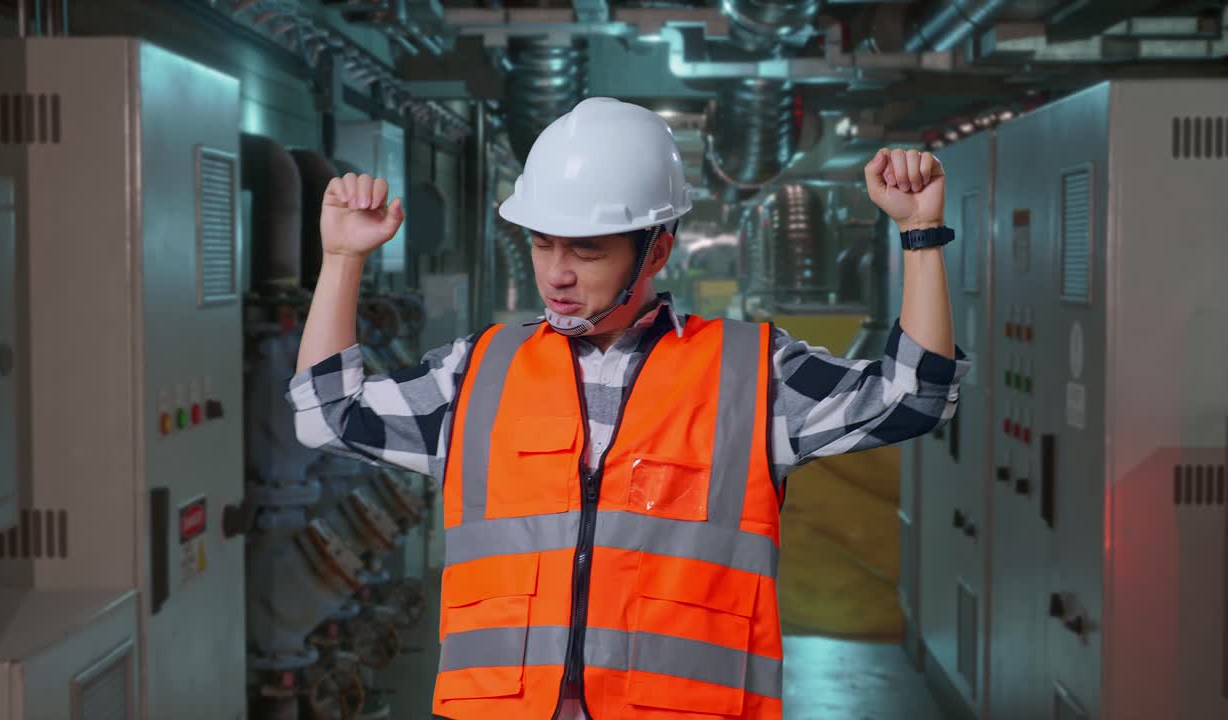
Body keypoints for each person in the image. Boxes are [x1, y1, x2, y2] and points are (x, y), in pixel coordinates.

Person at [287, 97, 970, 720]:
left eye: (587, 249)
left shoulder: (750, 375)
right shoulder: (476, 372)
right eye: (542, 242)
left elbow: (916, 397)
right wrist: (343, 257)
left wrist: (919, 237)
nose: (556, 272)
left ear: (658, 251)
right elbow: (325, 411)